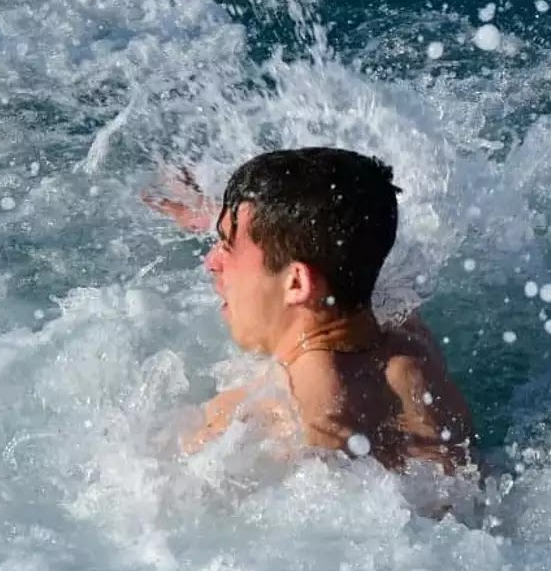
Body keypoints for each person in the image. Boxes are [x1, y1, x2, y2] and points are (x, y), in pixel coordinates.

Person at [146, 148, 474, 472]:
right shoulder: (410, 341)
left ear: (297, 283)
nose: (211, 262)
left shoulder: (285, 413)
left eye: (227, 246)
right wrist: (229, 219)